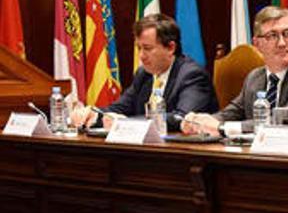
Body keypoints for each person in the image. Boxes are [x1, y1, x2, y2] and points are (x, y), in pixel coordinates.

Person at [182, 6, 288, 136]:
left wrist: (222, 128)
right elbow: (231, 113)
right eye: (273, 36)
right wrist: (199, 122)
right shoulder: (255, 77)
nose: (282, 43)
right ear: (257, 44)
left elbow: (283, 123)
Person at [70, 13, 218, 132]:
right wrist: (93, 113)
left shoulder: (192, 75)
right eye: (139, 48)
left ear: (171, 48)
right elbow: (119, 109)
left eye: (147, 48)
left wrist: (125, 122)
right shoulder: (144, 74)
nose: (141, 56)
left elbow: (182, 118)